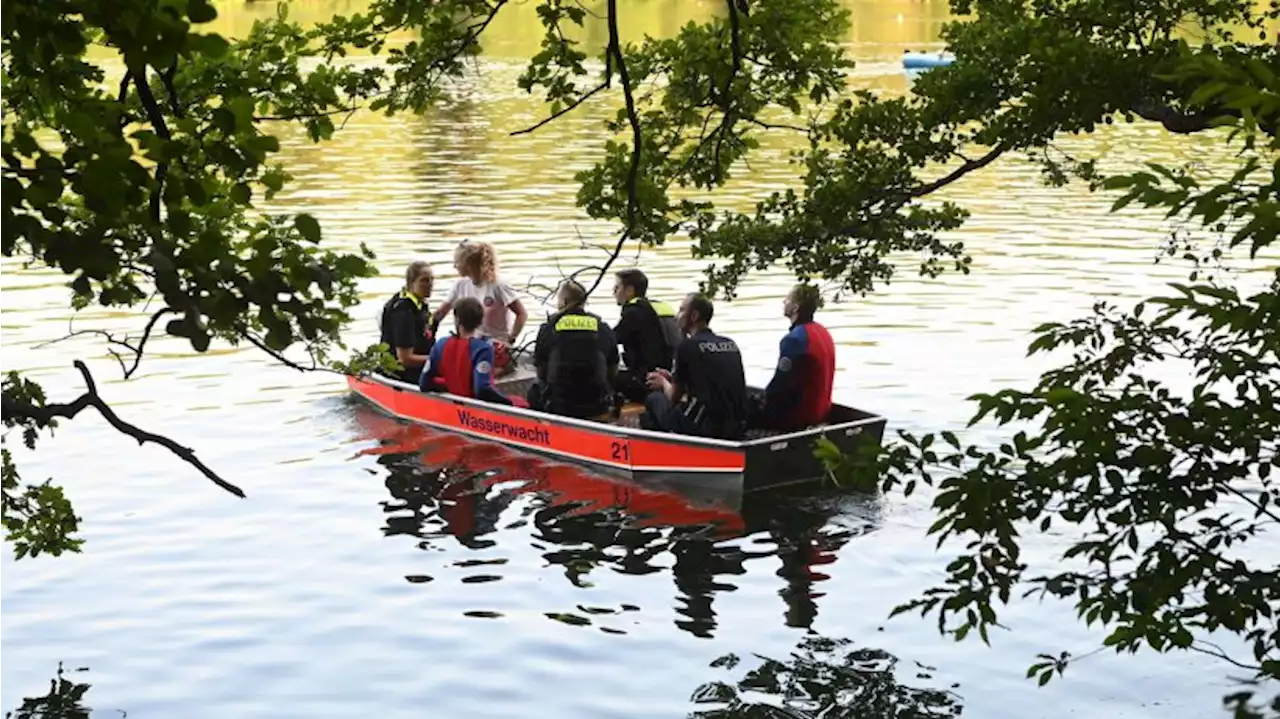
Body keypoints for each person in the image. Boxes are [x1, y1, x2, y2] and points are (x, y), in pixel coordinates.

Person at [641, 293, 748, 440]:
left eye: (681, 310)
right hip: (735, 423)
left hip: (703, 426)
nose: (677, 316)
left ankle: (664, 448)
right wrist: (673, 378)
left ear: (694, 316)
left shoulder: (686, 346)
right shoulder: (730, 343)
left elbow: (673, 397)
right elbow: (709, 380)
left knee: (653, 399)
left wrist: (663, 382)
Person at [433, 240, 527, 377]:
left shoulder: (498, 286)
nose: (454, 266)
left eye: (457, 262)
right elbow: (440, 313)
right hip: (470, 344)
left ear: (468, 263)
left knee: (476, 373)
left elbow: (522, 314)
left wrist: (510, 340)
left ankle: (505, 366)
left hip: (494, 344)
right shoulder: (460, 285)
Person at [528, 279, 619, 418]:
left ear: (564, 301)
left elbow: (541, 371)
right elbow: (613, 370)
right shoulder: (602, 327)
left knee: (533, 390)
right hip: (597, 405)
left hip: (559, 406)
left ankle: (542, 430)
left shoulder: (549, 328)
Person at [752, 284, 836, 429]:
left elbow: (780, 384)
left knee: (741, 407)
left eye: (787, 299)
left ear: (795, 308)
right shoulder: (823, 332)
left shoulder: (795, 340)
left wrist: (759, 401)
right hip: (822, 410)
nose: (783, 302)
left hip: (800, 416)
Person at [419, 297, 520, 406]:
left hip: (452, 406)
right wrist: (508, 403)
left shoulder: (440, 344)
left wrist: (449, 386)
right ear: (480, 321)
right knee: (520, 402)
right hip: (474, 411)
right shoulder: (483, 349)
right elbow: (482, 389)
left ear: (457, 320)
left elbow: (424, 384)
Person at [610, 268, 683, 403]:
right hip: (670, 376)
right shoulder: (661, 307)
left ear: (630, 291)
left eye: (617, 288)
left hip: (646, 380)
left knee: (606, 375)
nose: (613, 292)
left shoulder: (634, 311)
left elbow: (611, 339)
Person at [378, 260, 436, 384]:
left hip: (419, 365)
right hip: (401, 374)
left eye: (432, 280)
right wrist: (439, 359)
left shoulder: (418, 303)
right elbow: (405, 359)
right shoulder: (403, 311)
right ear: (411, 283)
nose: (430, 284)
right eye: (424, 280)